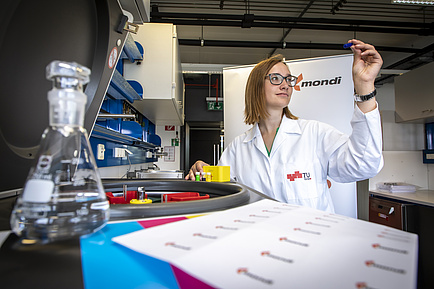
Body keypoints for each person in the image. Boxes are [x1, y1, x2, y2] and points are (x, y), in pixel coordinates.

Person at [186, 39, 383, 212]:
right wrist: (203, 171)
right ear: (256, 87)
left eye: (288, 79)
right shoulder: (238, 148)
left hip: (309, 247)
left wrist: (365, 86)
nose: (285, 85)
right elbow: (223, 195)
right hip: (258, 245)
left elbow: (363, 165)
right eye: (275, 78)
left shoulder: (314, 134)